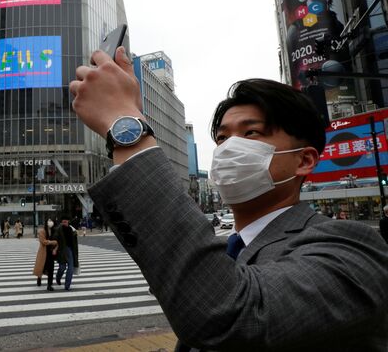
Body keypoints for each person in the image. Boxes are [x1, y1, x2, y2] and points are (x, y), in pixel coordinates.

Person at [69, 47, 388, 350]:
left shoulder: (353, 248)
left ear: (304, 160)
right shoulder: (225, 249)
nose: (229, 149)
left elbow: (232, 314)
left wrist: (125, 125)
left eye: (251, 134)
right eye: (222, 137)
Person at [54, 218, 79, 291]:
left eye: (66, 220)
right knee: (62, 267)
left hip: (70, 250)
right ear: (61, 221)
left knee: (70, 268)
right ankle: (58, 278)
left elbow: (74, 241)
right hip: (61, 251)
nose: (64, 221)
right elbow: (55, 239)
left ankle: (67, 285)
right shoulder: (58, 229)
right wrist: (55, 249)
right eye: (63, 220)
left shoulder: (71, 229)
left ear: (68, 221)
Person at [33, 218, 58, 291]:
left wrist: (55, 248)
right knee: (42, 267)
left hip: (51, 253)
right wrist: (52, 242)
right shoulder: (42, 231)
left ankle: (49, 285)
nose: (50, 222)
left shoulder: (54, 231)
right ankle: (39, 277)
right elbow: (43, 241)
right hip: (43, 252)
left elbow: (57, 241)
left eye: (51, 220)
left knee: (51, 269)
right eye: (49, 220)